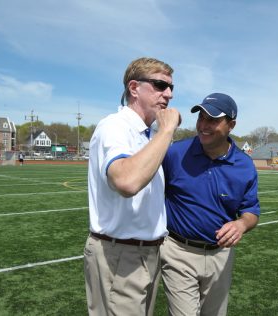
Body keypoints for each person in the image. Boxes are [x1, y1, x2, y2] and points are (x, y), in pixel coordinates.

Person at [84, 57, 180, 315]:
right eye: (160, 85)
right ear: (134, 88)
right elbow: (126, 182)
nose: (168, 94)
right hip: (120, 253)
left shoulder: (147, 134)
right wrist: (166, 131)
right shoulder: (115, 126)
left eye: (171, 87)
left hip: (146, 252)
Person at [161, 93, 260, 315]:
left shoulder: (245, 165)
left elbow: (251, 211)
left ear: (231, 125)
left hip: (221, 256)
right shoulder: (175, 153)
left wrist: (241, 225)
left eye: (213, 120)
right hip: (178, 252)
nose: (203, 126)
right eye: (201, 118)